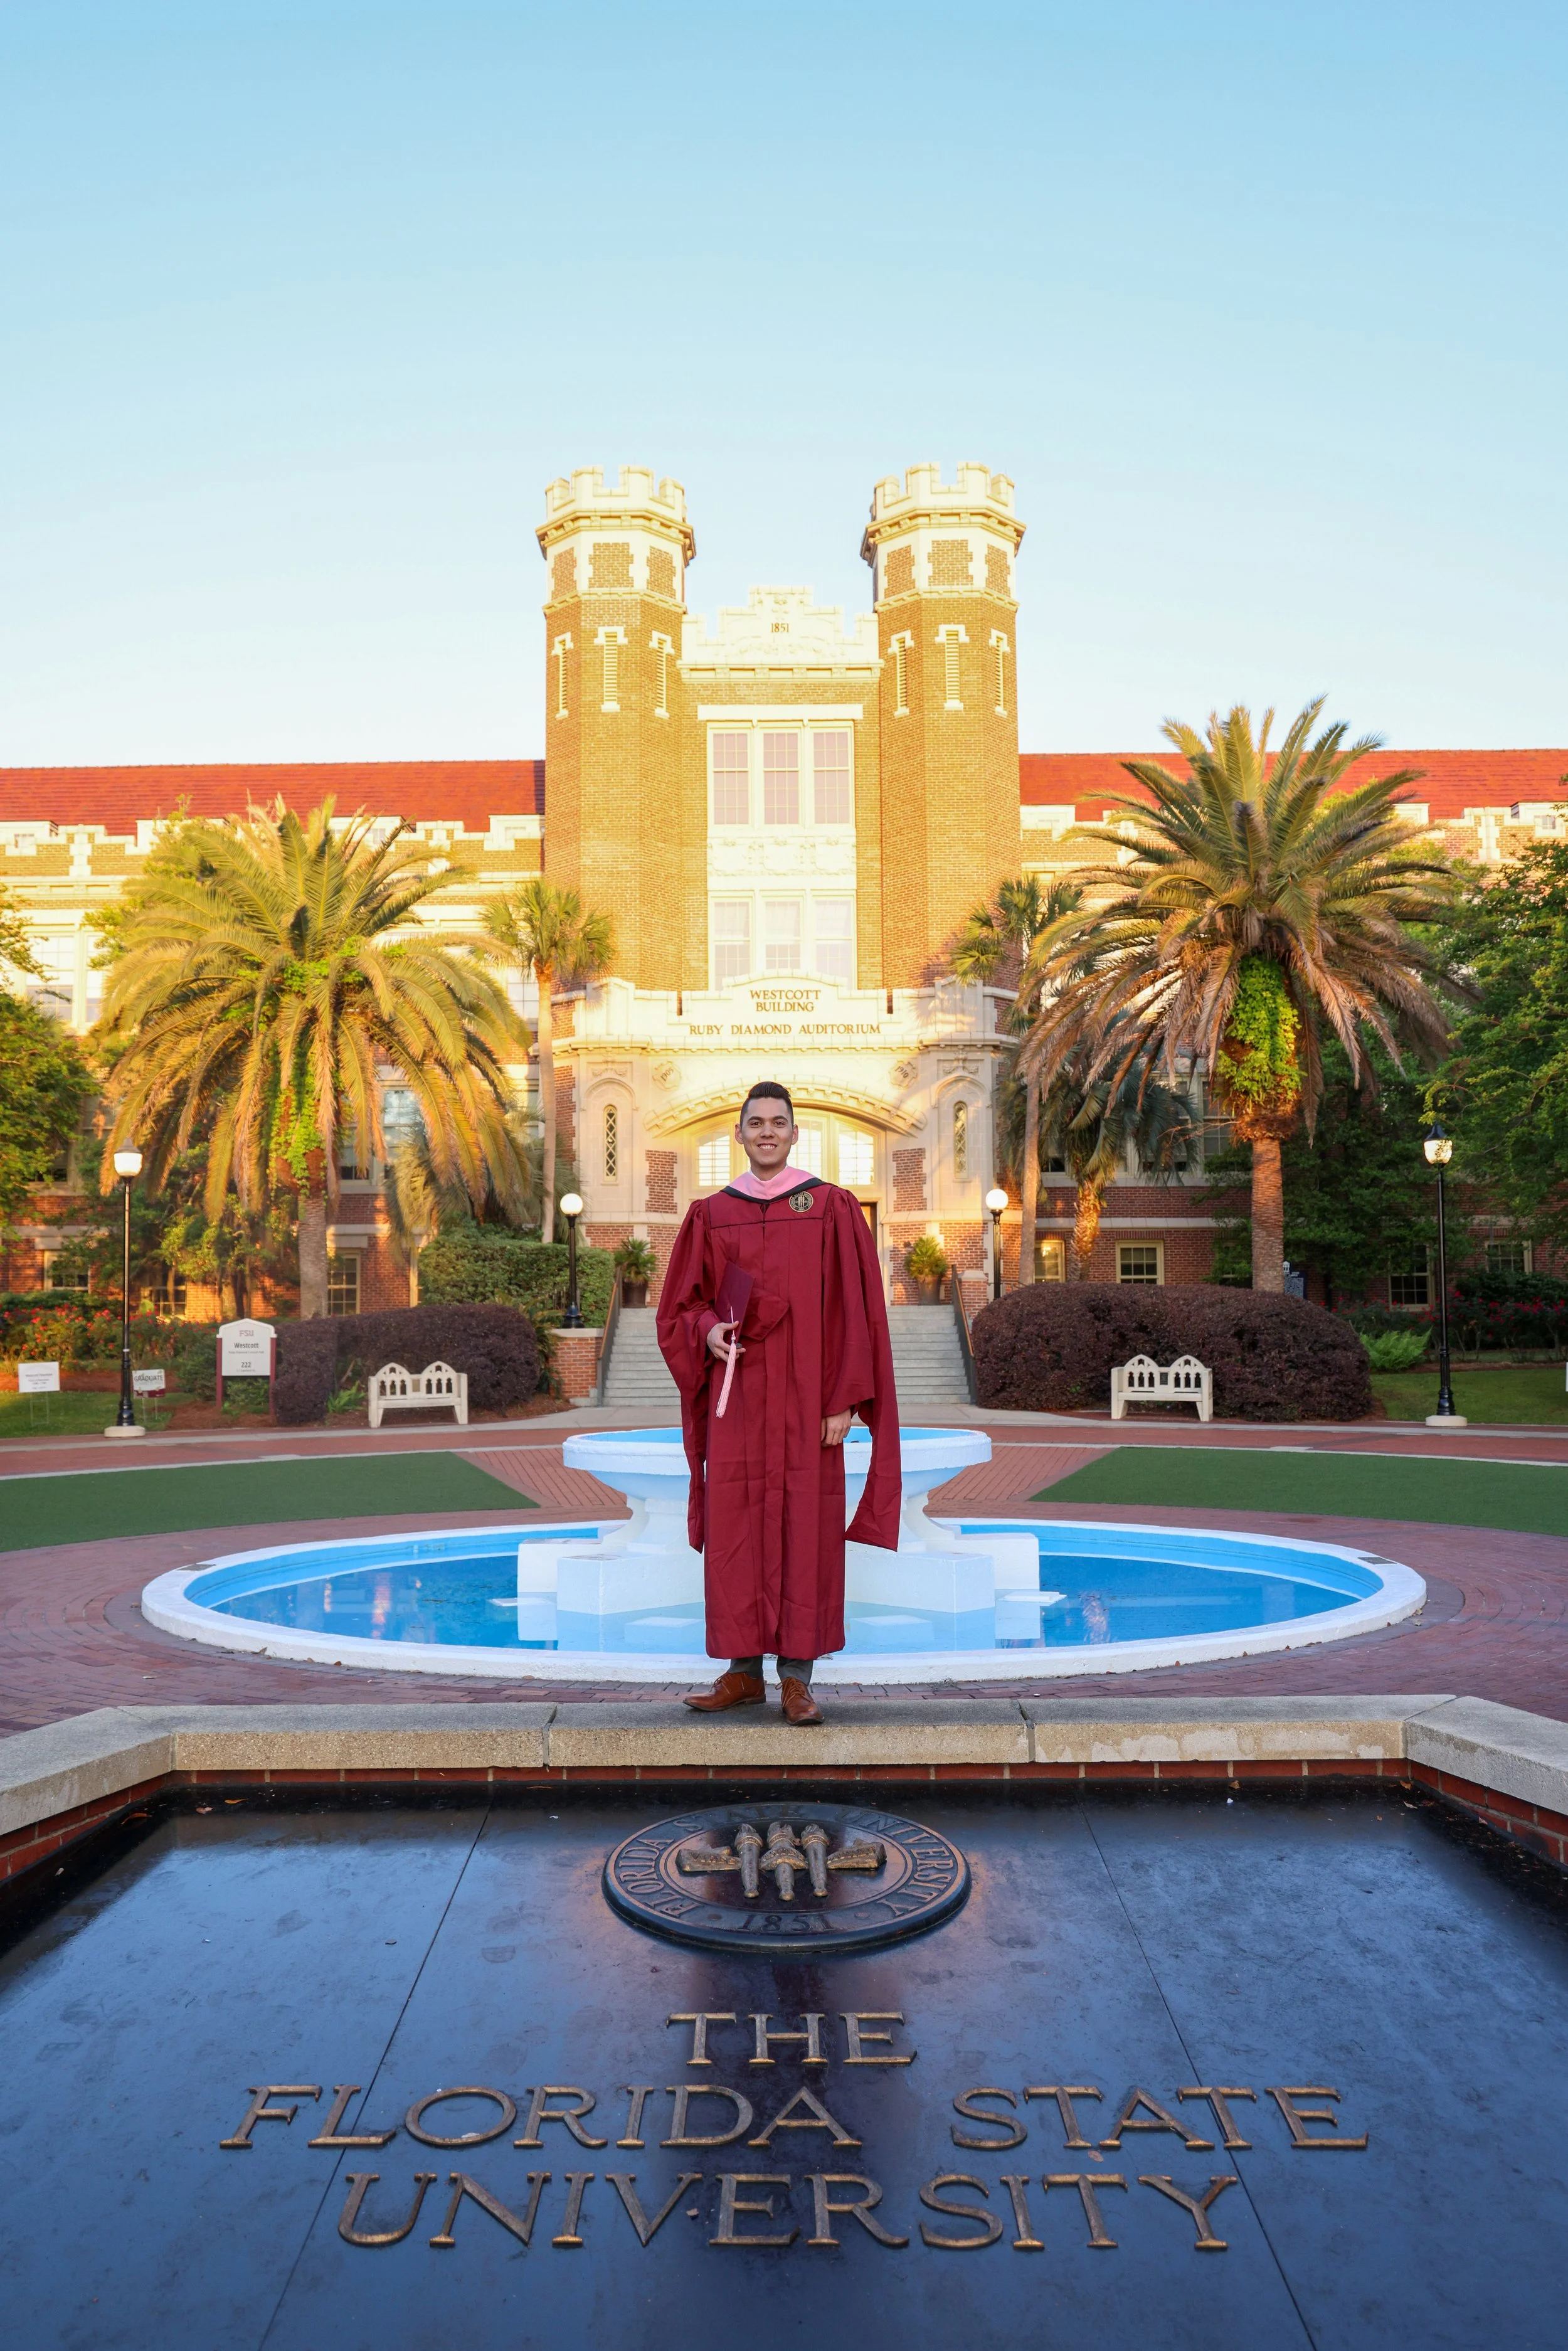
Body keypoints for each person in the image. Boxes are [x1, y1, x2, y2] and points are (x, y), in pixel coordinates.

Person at [655, 1081, 901, 1723]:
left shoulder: (830, 1207)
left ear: (795, 1134)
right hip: (738, 1401)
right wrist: (706, 1328)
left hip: (806, 1404)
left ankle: (797, 1677)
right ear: (739, 1134)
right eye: (755, 1122)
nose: (766, 1131)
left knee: (806, 1530)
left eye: (778, 1122)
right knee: (736, 1527)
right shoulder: (712, 1213)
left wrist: (844, 1400)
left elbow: (855, 1312)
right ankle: (741, 1674)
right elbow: (682, 1303)